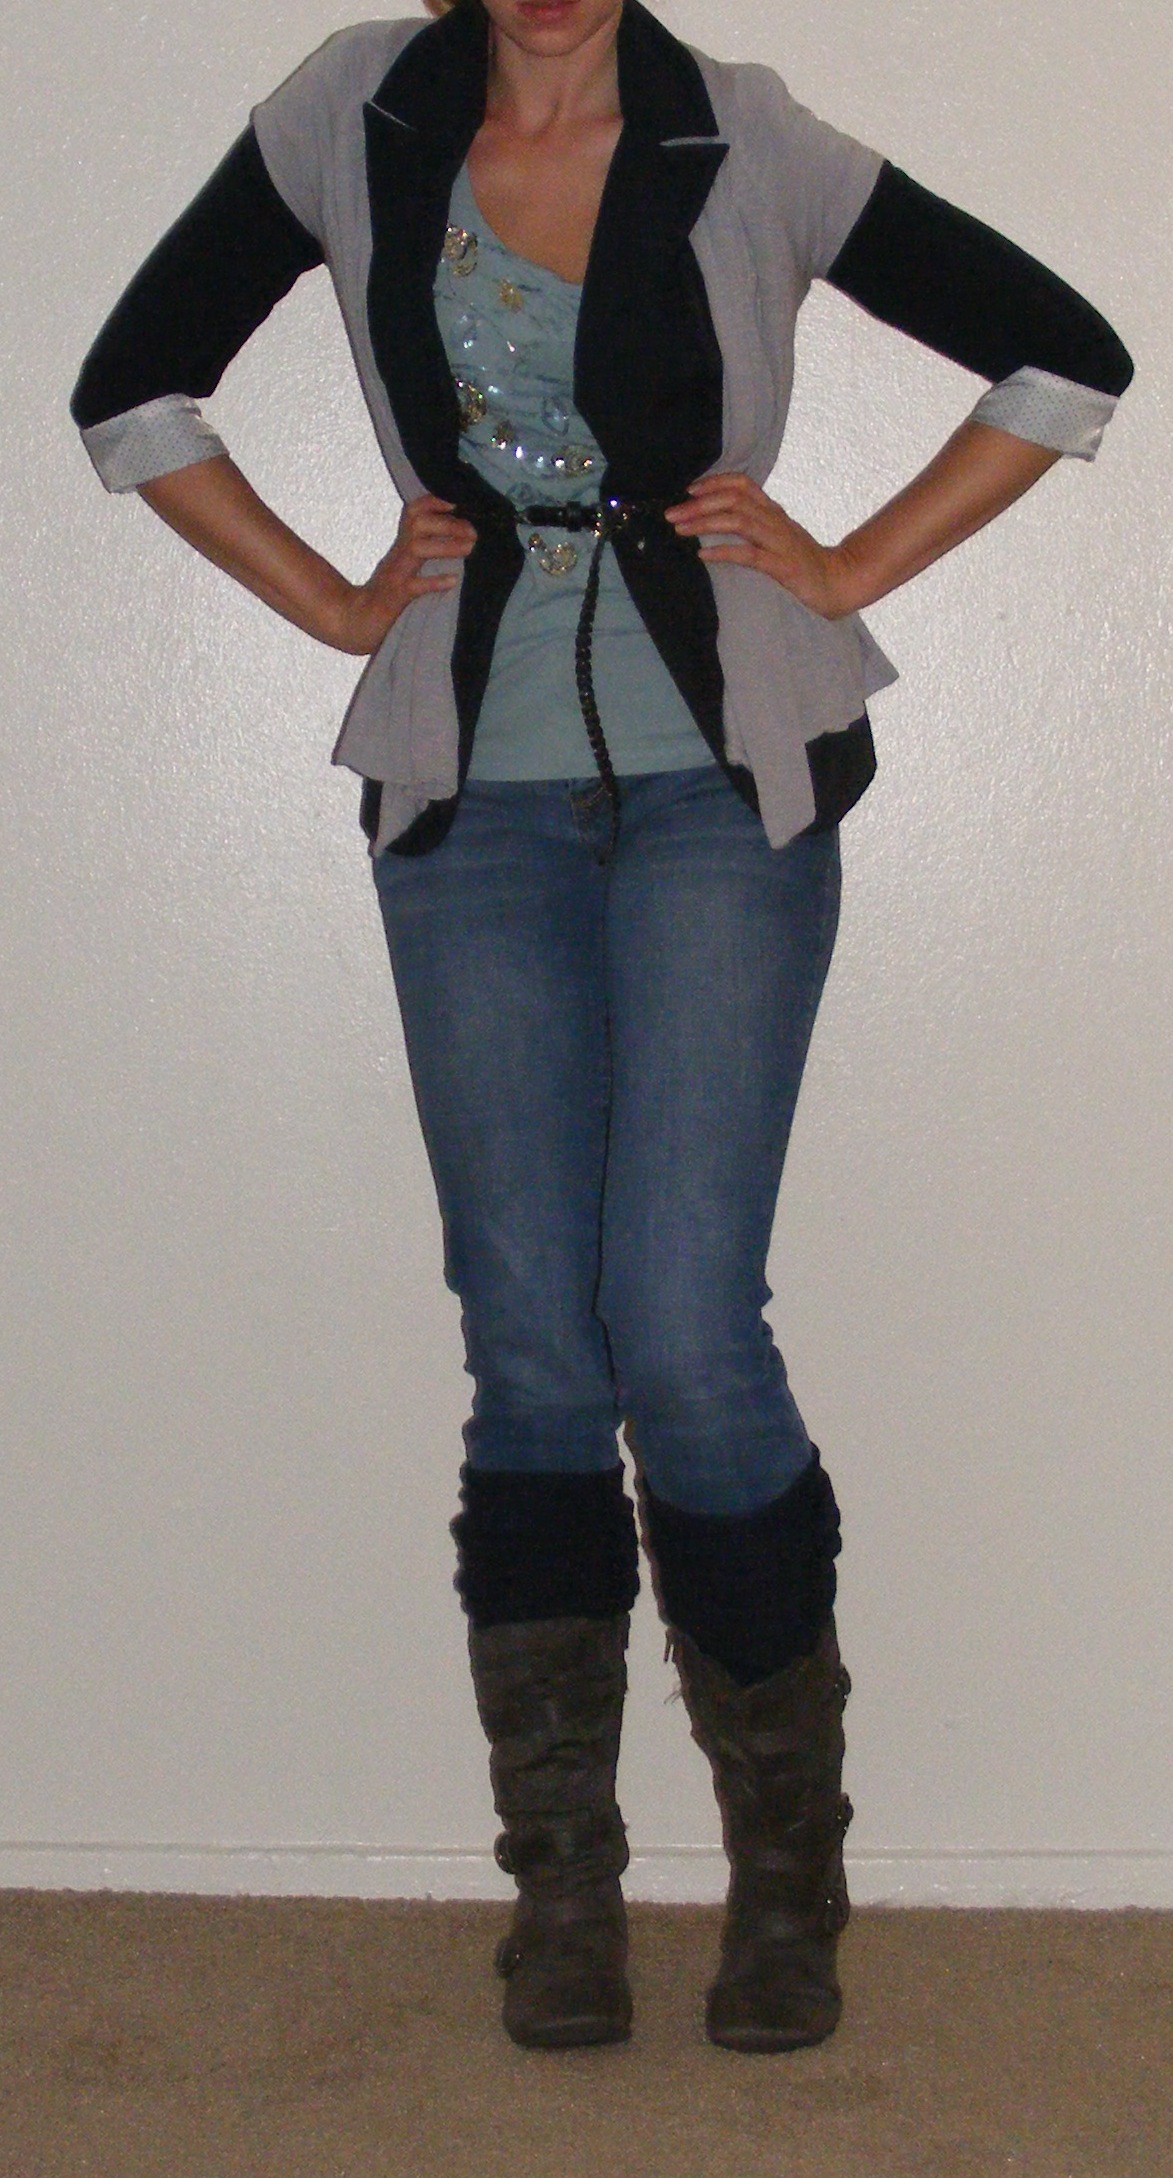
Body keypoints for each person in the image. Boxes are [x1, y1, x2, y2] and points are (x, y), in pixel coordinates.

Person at [71, 0, 1132, 2056]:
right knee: (533, 1340)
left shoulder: (739, 131)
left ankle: (785, 1880)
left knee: (681, 1324)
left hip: (719, 789)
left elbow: (1060, 354)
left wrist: (843, 562)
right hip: (468, 801)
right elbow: (132, 387)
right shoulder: (352, 112)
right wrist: (331, 602)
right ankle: (561, 1888)